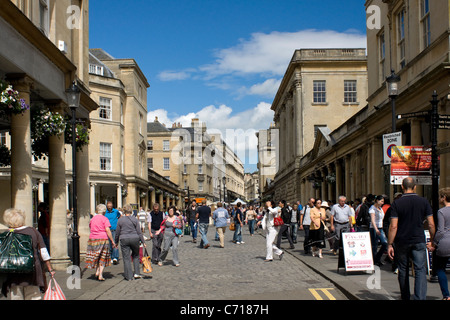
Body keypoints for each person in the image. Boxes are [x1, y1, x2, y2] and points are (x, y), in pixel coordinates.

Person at [387, 177, 435, 300]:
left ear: (402, 187)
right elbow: (431, 224)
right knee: (420, 270)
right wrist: (433, 241)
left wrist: (390, 244)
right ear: (415, 187)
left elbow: (393, 226)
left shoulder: (396, 203)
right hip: (418, 240)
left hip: (401, 241)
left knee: (403, 270)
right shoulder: (424, 201)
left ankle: (405, 297)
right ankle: (420, 298)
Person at [1, 208, 55, 300]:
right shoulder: (33, 231)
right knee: (33, 296)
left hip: (13, 272)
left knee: (16, 297)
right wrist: (50, 268)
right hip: (32, 271)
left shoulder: (6, 234)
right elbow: (43, 251)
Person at [115, 204, 146, 281]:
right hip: (134, 238)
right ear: (131, 211)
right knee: (136, 256)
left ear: (124, 211)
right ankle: (137, 273)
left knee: (126, 257)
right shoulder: (135, 219)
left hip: (124, 239)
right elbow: (139, 232)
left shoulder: (120, 220)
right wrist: (143, 241)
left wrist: (116, 242)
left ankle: (128, 276)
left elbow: (117, 233)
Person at [86, 204, 116, 281]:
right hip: (102, 239)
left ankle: (97, 271)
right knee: (102, 256)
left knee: (96, 255)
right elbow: (108, 230)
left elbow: (90, 227)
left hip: (93, 239)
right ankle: (100, 274)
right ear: (104, 211)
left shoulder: (92, 219)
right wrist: (112, 240)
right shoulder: (105, 219)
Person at [430, 187, 450, 300]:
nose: (438, 199)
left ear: (444, 198)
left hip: (445, 243)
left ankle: (446, 295)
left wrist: (434, 243)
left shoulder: (441, 212)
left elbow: (441, 231)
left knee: (440, 269)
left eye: (440, 197)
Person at [369, 195, 388, 266]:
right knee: (374, 245)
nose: (382, 203)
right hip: (374, 228)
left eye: (383, 201)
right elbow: (372, 220)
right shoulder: (372, 209)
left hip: (380, 227)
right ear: (377, 200)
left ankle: (377, 258)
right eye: (381, 201)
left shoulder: (380, 208)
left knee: (385, 243)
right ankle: (374, 260)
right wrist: (376, 229)